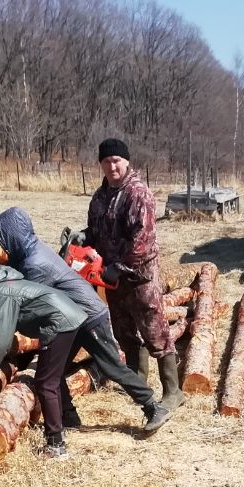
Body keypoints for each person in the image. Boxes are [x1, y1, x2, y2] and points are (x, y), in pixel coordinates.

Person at [0, 206, 171, 433]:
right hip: (73, 318)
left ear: (13, 236)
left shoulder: (35, 263)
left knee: (112, 366)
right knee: (54, 373)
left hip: (90, 317)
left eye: (2, 239)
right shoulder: (29, 252)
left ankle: (153, 407)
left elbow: (26, 297)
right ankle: (69, 416)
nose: (1, 245)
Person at [0, 260, 86, 460]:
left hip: (60, 321)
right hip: (66, 316)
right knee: (51, 377)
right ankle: (69, 418)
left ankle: (56, 445)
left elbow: (0, 341)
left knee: (46, 382)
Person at [83, 137, 183, 410]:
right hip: (111, 278)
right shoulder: (100, 196)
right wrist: (83, 237)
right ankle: (138, 381)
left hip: (139, 277)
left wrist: (122, 266)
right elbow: (95, 231)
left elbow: (144, 240)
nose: (112, 166)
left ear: (126, 161)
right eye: (106, 161)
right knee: (125, 332)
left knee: (155, 332)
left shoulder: (138, 193)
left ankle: (173, 391)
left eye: (116, 160)